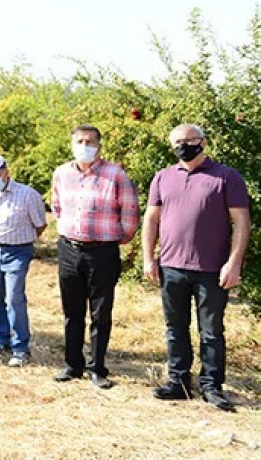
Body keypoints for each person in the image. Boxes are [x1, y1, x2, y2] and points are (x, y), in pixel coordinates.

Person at [142, 124, 249, 411]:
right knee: (175, 328)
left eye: (189, 140)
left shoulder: (227, 177)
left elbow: (241, 222)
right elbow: (151, 221)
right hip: (171, 266)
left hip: (212, 269)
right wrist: (148, 258)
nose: (183, 146)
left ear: (203, 141)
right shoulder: (163, 177)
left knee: (211, 330)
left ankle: (211, 385)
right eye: (177, 141)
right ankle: (178, 382)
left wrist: (234, 262)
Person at [51, 124, 139, 389]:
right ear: (71, 144)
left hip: (102, 251)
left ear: (99, 146)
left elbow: (130, 214)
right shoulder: (62, 173)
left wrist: (113, 238)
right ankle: (72, 364)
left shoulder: (115, 175)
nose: (84, 146)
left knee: (101, 312)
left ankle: (97, 368)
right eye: (79, 141)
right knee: (72, 310)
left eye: (89, 142)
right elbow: (57, 207)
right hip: (69, 249)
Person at [0, 154, 47, 367]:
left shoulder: (27, 195)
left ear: (6, 171)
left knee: (15, 297)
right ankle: (1, 340)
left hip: (18, 251)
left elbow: (40, 224)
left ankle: (20, 348)